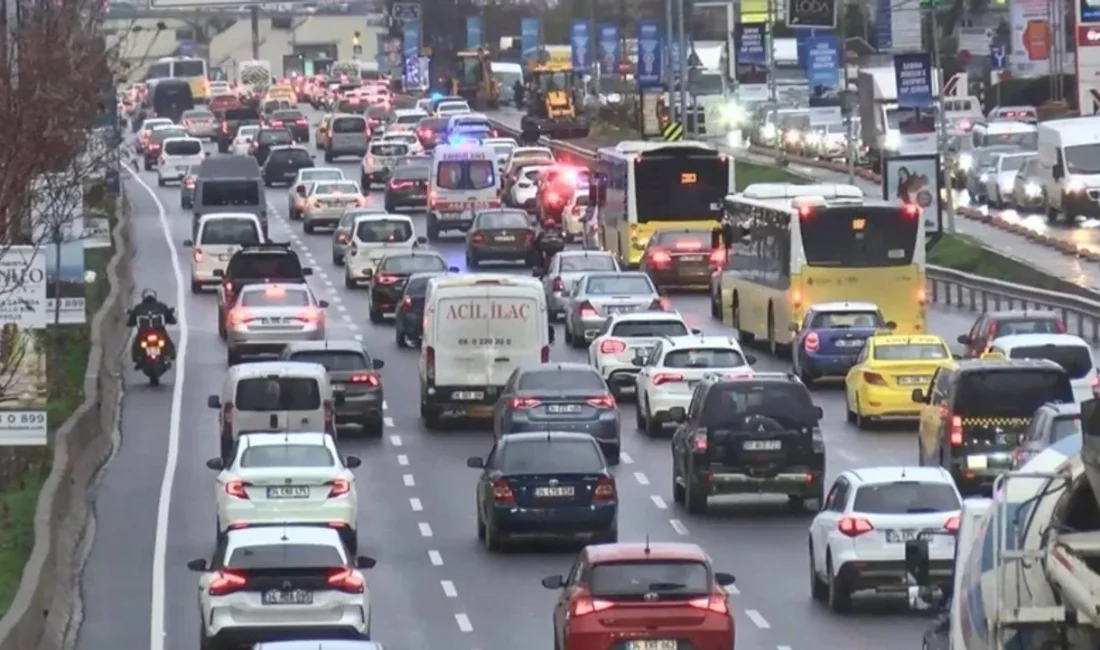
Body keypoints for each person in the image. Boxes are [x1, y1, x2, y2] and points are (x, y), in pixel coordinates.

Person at [127, 289, 178, 367]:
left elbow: (130, 323)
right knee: (167, 342)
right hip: (158, 331)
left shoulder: (138, 307)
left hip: (144, 333)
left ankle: (139, 358)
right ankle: (167, 356)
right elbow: (172, 320)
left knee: (137, 344)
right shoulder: (161, 306)